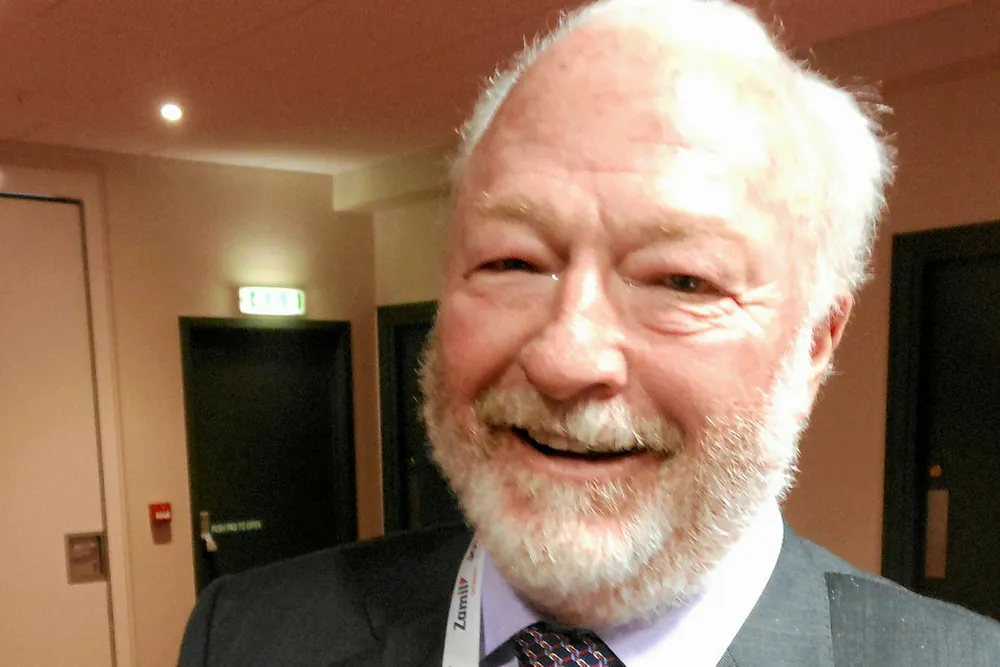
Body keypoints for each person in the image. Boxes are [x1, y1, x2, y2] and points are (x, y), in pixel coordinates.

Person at [178, 0, 1000, 665]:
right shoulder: (247, 635)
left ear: (815, 343)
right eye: (512, 261)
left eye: (681, 280)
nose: (565, 357)